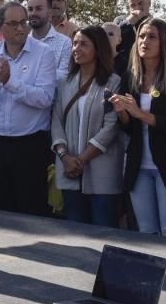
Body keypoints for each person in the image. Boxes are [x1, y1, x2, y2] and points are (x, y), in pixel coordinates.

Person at [0, 1, 56, 216]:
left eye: (23, 22)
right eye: (14, 23)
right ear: (1, 27)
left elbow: (46, 98)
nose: (21, 28)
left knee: (32, 209)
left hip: (31, 145)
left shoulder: (44, 53)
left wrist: (9, 82)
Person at [111, 18, 166, 238]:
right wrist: (122, 112)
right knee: (147, 232)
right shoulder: (130, 77)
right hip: (139, 168)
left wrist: (140, 114)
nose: (144, 41)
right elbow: (127, 129)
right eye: (141, 36)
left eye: (152, 37)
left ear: (163, 42)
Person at [51, 26, 123, 226]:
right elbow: (56, 119)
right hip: (69, 173)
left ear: (98, 49)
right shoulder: (65, 83)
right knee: (75, 237)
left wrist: (81, 160)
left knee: (103, 233)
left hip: (102, 176)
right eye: (75, 43)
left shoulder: (113, 82)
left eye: (83, 44)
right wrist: (65, 157)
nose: (76, 49)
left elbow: (111, 126)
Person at [26, 0, 71, 81]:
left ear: (50, 12)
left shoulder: (64, 42)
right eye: (30, 9)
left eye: (39, 9)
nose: (33, 13)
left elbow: (63, 76)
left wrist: (29, 73)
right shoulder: (22, 42)